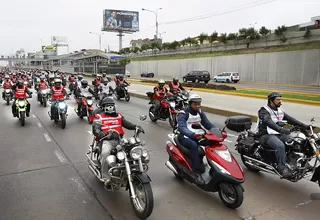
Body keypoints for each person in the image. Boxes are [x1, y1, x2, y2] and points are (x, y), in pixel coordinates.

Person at [257, 92, 313, 178]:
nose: (280, 101)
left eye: (280, 99)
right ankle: (282, 168)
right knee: (280, 146)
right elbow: (268, 122)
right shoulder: (264, 110)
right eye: (278, 100)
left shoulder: (280, 110)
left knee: (295, 143)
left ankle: (296, 163)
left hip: (278, 134)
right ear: (271, 100)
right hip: (265, 135)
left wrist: (305, 126)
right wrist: (281, 130)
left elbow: (291, 120)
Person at [92, 97, 144, 185]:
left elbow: (126, 123)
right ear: (103, 107)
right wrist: (103, 134)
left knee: (133, 149)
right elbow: (95, 129)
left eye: (112, 105)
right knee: (105, 153)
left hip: (120, 140)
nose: (110, 107)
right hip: (107, 141)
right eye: (108, 106)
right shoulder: (99, 117)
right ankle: (106, 177)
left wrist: (135, 127)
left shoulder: (119, 116)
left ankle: (134, 169)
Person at [177, 94, 216, 185]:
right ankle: (195, 172)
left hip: (199, 135)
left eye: (199, 104)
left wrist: (217, 131)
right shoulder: (183, 114)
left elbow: (207, 124)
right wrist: (193, 135)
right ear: (190, 104)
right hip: (184, 136)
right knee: (194, 146)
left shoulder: (200, 112)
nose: (198, 106)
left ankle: (213, 166)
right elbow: (182, 128)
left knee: (212, 143)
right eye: (195, 104)